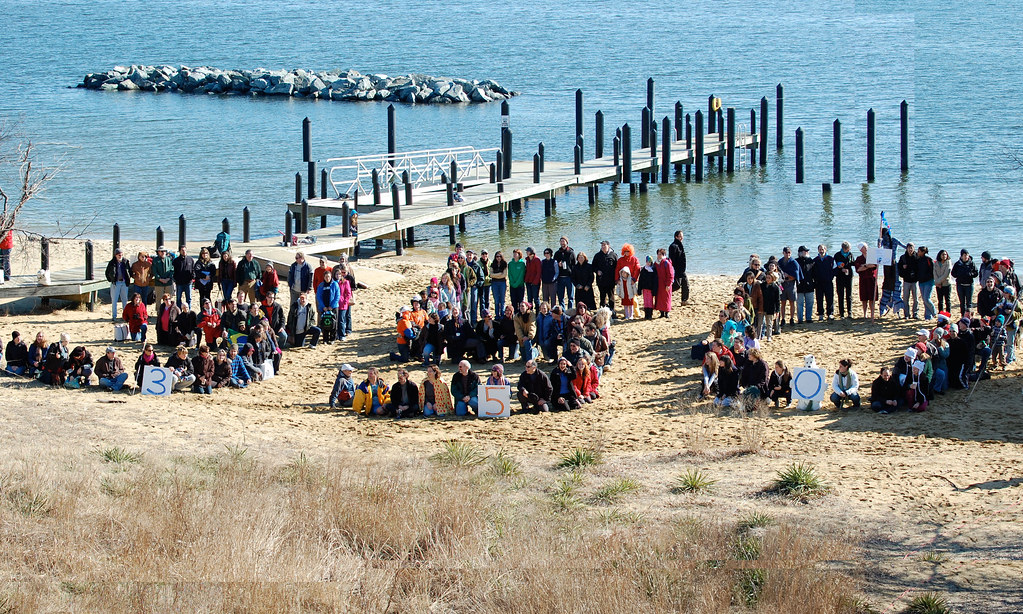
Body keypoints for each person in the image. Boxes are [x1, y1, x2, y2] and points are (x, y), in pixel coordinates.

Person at [853, 242, 879, 321]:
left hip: (872, 279)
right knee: (864, 298)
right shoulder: (859, 259)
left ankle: (872, 313)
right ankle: (865, 314)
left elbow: (874, 265)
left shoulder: (872, 257)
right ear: (861, 249)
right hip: (863, 279)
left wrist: (864, 265)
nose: (866, 249)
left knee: (872, 298)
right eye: (864, 247)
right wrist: (867, 265)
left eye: (866, 247)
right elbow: (858, 269)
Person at [105, 247, 132, 321]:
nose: (120, 256)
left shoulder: (126, 262)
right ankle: (114, 316)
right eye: (119, 255)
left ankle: (125, 316)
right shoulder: (112, 262)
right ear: (115, 255)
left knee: (124, 300)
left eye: (121, 255)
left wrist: (128, 279)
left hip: (124, 282)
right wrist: (111, 280)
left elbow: (129, 271)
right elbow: (107, 272)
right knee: (114, 300)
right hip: (116, 283)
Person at [951, 249, 979, 315]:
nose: (966, 257)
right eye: (964, 255)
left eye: (967, 255)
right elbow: (953, 273)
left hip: (969, 285)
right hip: (960, 285)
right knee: (962, 302)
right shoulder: (958, 264)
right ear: (961, 256)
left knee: (969, 302)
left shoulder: (972, 263)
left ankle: (969, 316)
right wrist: (959, 275)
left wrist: (970, 274)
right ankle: (963, 315)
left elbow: (976, 273)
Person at [316, 270, 339, 344]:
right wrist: (323, 307)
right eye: (326, 277)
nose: (327, 278)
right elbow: (318, 297)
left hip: (333, 307)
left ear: (331, 276)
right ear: (324, 277)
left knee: (333, 323)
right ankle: (325, 339)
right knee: (324, 324)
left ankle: (332, 339)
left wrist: (331, 306)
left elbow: (337, 296)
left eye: (328, 276)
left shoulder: (335, 284)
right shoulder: (321, 285)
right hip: (324, 308)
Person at [896, 243, 919, 319]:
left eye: (911, 248)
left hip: (915, 281)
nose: (910, 249)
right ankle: (906, 314)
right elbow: (899, 269)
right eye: (909, 248)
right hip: (906, 281)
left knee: (915, 298)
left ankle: (915, 313)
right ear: (906, 249)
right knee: (905, 298)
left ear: (914, 248)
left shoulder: (917, 257)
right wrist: (903, 270)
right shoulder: (903, 258)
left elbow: (920, 268)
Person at [813, 244, 835, 321]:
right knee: (819, 299)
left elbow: (834, 269)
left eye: (822, 249)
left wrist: (830, 277)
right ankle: (821, 314)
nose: (821, 250)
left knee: (829, 298)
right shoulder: (815, 260)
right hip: (818, 283)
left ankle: (830, 313)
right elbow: (813, 271)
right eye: (820, 249)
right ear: (818, 250)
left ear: (825, 249)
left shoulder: (830, 259)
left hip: (828, 282)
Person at [795, 246, 816, 324]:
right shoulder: (796, 262)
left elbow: (814, 273)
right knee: (800, 303)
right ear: (800, 252)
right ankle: (800, 319)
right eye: (805, 251)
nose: (806, 252)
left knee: (810, 302)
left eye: (807, 251)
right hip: (799, 286)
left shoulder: (811, 261)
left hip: (809, 285)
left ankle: (808, 318)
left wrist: (814, 283)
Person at [553, 236, 576, 307]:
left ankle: (570, 310)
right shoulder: (557, 253)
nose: (562, 243)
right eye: (561, 241)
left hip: (569, 277)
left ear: (567, 242)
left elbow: (574, 265)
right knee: (560, 296)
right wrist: (558, 265)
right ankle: (562, 310)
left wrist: (573, 275)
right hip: (560, 277)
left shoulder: (571, 252)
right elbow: (554, 265)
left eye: (564, 241)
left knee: (570, 297)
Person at [668, 231, 689, 305]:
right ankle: (664, 292)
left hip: (682, 270)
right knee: (676, 286)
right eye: (680, 236)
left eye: (682, 236)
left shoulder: (679, 245)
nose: (682, 237)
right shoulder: (673, 246)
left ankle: (684, 300)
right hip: (676, 270)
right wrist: (673, 269)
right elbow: (672, 259)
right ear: (676, 237)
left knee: (686, 284)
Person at [760, 273, 781, 341]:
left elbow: (777, 300)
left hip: (771, 307)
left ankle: (769, 336)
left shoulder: (775, 287)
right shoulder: (762, 285)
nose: (767, 279)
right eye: (767, 277)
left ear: (772, 279)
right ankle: (759, 336)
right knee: (760, 323)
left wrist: (777, 310)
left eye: (769, 278)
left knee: (769, 323)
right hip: (762, 306)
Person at [916, 246, 936, 320]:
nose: (918, 253)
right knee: (924, 300)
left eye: (919, 251)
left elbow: (933, 271)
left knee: (927, 298)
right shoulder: (918, 260)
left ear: (923, 252)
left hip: (929, 281)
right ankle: (928, 316)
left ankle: (934, 312)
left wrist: (929, 277)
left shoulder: (928, 259)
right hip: (921, 282)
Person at [654, 248, 674, 318]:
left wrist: (668, 284)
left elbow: (671, 275)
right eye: (658, 254)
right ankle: (661, 313)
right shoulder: (656, 263)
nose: (659, 256)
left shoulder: (667, 263)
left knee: (667, 298)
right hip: (659, 284)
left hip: (666, 284)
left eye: (660, 254)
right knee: (659, 298)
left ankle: (667, 312)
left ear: (663, 255)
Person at [933, 249, 953, 314]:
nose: (944, 256)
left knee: (947, 300)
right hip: (938, 285)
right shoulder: (936, 263)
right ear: (940, 255)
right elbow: (934, 273)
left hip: (946, 284)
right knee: (940, 301)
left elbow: (946, 274)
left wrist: (938, 281)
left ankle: (948, 314)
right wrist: (937, 282)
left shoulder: (948, 262)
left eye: (945, 254)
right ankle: (941, 313)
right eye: (943, 254)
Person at [489, 251, 508, 317]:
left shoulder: (504, 264)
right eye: (497, 256)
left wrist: (495, 275)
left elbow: (504, 275)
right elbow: (491, 275)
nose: (498, 258)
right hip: (494, 283)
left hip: (502, 283)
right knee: (496, 300)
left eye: (500, 256)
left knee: (502, 300)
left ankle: (502, 314)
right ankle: (497, 315)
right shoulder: (493, 264)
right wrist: (499, 274)